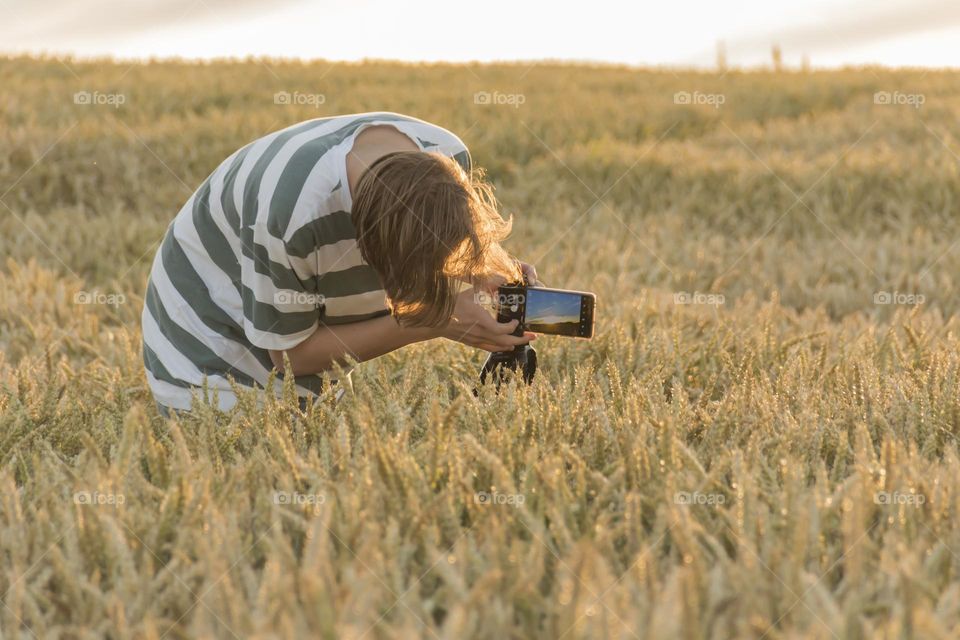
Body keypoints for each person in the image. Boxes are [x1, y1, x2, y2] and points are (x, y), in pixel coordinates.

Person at [142, 112, 538, 414]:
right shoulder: (290, 215)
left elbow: (423, 224)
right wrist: (434, 320)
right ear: (359, 242)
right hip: (207, 342)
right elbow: (293, 360)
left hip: (295, 331)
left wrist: (483, 264)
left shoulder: (447, 157)